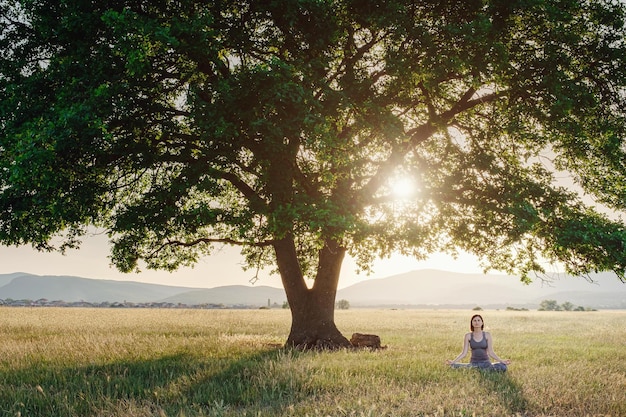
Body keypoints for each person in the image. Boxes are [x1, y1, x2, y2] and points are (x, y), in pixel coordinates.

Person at [445, 314, 511, 371]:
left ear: (482, 323)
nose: (477, 322)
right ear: (472, 323)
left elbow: (491, 352)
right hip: (473, 363)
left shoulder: (487, 335)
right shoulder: (468, 336)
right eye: (474, 320)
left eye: (479, 320)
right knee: (453, 366)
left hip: (486, 363)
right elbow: (464, 353)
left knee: (503, 367)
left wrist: (501, 361)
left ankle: (482, 370)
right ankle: (478, 370)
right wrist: (453, 362)